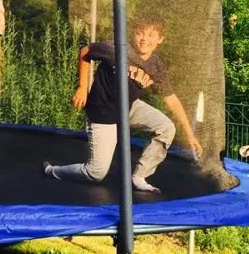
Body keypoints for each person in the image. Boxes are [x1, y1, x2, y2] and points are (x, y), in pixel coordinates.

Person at [42, 15, 203, 193]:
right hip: (103, 111)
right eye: (140, 34)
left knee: (166, 127)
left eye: (151, 35)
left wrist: (189, 134)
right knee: (95, 173)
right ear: (133, 34)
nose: (144, 39)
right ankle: (53, 171)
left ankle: (140, 175)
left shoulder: (156, 66)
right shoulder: (117, 49)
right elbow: (85, 52)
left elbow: (172, 99)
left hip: (129, 107)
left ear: (160, 39)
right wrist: (82, 86)